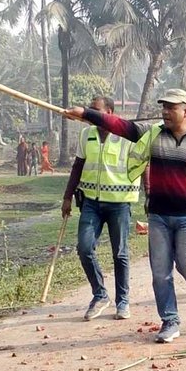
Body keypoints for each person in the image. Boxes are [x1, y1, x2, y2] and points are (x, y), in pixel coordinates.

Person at [65, 89, 186, 343]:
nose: (165, 112)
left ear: (185, 111)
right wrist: (87, 114)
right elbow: (120, 126)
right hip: (159, 215)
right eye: (163, 107)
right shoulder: (153, 134)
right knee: (160, 272)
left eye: (171, 108)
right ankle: (170, 321)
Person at [62, 96, 140, 321]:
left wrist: (148, 192)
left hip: (119, 202)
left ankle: (123, 301)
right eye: (89, 110)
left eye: (95, 111)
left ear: (110, 112)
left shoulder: (125, 135)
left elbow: (142, 165)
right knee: (84, 247)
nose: (91, 115)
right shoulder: (86, 134)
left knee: (120, 253)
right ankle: (100, 295)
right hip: (91, 203)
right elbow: (78, 166)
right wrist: (67, 197)